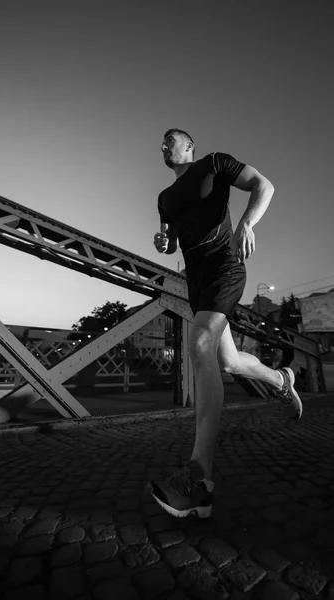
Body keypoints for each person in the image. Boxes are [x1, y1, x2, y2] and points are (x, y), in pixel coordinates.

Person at [150, 128, 302, 519]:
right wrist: (163, 242)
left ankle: (200, 478)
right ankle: (280, 380)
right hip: (195, 279)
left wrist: (247, 223)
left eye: (171, 140)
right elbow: (169, 238)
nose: (164, 145)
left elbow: (263, 186)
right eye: (161, 143)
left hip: (225, 264)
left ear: (189, 147)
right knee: (228, 362)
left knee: (199, 343)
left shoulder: (213, 164)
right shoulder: (165, 199)